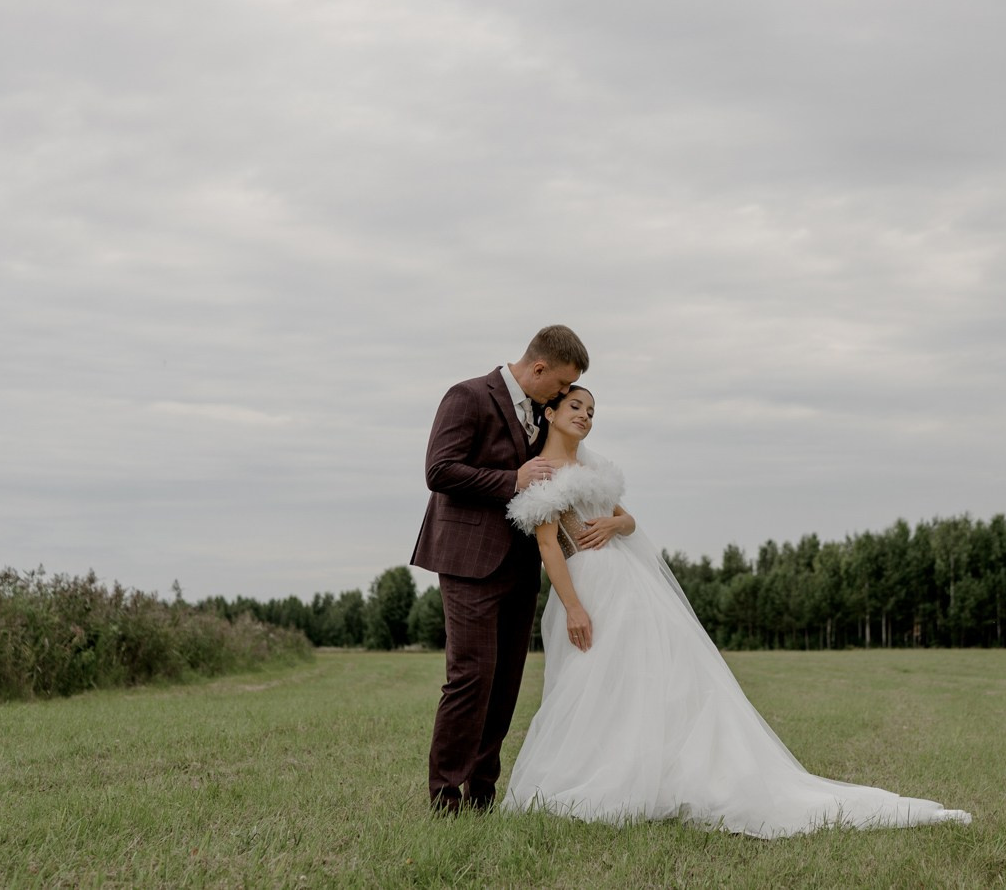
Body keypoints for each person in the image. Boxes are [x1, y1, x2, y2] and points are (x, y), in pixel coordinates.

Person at [501, 385, 972, 837]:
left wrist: (614, 521)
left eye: (591, 411)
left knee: (649, 680)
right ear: (551, 413)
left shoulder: (594, 466)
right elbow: (549, 546)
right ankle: (601, 775)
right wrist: (574, 607)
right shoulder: (541, 472)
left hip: (629, 587)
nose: (585, 416)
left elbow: (628, 520)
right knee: (595, 686)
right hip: (586, 587)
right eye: (576, 407)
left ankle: (653, 778)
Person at [409, 325, 589, 814]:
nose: (565, 394)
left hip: (521, 563)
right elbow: (439, 470)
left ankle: (483, 793)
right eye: (561, 385)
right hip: (468, 560)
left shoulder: (540, 412)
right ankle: (445, 797)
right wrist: (511, 478)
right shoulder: (467, 396)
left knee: (507, 681)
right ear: (537, 368)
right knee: (471, 677)